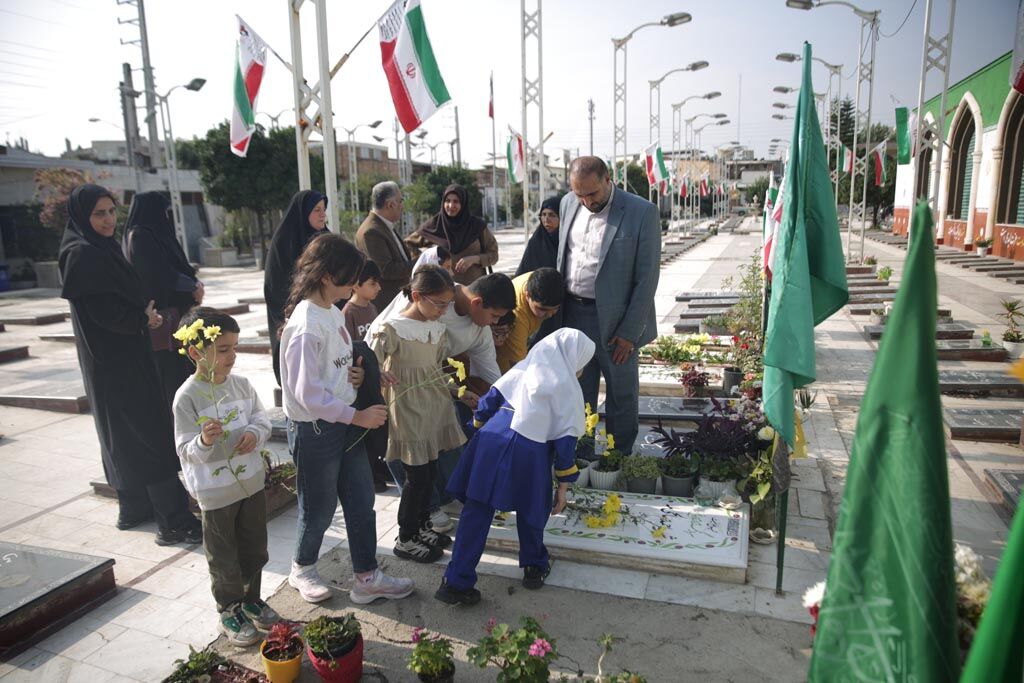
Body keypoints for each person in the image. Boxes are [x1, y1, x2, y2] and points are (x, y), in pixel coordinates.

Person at [58, 184, 201, 544]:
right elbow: (104, 313)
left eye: (110, 212)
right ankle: (174, 522)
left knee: (125, 436)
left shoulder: (98, 248)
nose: (108, 220)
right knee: (148, 434)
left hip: (122, 358)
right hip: (115, 363)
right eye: (98, 214)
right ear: (81, 217)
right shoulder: (82, 255)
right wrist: (143, 319)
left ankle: (136, 509)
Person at [280, 233, 414, 604]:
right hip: (317, 431)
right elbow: (307, 394)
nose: (353, 285)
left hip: (344, 426)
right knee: (319, 508)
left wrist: (357, 375)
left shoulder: (330, 313)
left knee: (360, 500)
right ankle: (302, 567)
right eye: (348, 277)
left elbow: (338, 364)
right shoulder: (306, 325)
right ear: (326, 276)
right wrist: (356, 416)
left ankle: (367, 576)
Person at [435, 329, 593, 605]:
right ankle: (534, 566)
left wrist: (477, 432)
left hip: (491, 441)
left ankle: (456, 582)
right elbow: (566, 446)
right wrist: (563, 489)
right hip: (530, 451)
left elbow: (487, 404)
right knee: (533, 510)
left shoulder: (524, 368)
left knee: (476, 511)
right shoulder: (568, 390)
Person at [366, 272, 515, 531]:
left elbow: (448, 370)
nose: (495, 323)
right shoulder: (417, 308)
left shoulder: (456, 327)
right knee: (410, 459)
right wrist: (374, 381)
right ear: (478, 302)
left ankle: (435, 507)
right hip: (402, 397)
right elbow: (374, 351)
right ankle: (417, 522)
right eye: (494, 316)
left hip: (432, 394)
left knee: (436, 453)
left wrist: (464, 393)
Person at [172, 307, 278, 647]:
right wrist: (204, 441)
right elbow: (185, 449)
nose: (233, 356)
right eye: (223, 350)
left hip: (250, 484)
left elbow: (262, 419)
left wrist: (254, 433)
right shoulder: (187, 397)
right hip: (216, 494)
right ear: (195, 352)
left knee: (254, 547)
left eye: (234, 347)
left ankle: (252, 598)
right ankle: (230, 607)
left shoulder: (243, 386)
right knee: (223, 555)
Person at [558, 157, 661, 455]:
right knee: (579, 391)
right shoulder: (568, 204)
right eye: (580, 194)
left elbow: (647, 278)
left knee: (621, 394)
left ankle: (620, 458)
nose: (587, 201)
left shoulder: (641, 212)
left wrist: (630, 332)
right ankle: (581, 455)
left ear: (608, 179)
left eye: (592, 194)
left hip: (617, 323)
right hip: (574, 316)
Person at [369, 266, 467, 563]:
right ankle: (406, 537)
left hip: (433, 407)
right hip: (407, 407)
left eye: (447, 304)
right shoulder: (392, 328)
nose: (443, 310)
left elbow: (435, 369)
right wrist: (378, 377)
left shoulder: (437, 329)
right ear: (416, 296)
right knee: (417, 476)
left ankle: (423, 525)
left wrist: (457, 391)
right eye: (438, 304)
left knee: (431, 471)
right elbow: (370, 366)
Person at [123, 191, 204, 410]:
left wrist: (195, 285)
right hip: (163, 321)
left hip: (177, 315)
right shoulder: (141, 236)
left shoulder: (158, 234)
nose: (167, 216)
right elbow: (159, 275)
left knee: (185, 372)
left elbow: (178, 268)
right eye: (164, 211)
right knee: (172, 378)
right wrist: (192, 286)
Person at [264, 190, 329, 384]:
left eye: (324, 209)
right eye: (317, 210)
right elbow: (275, 287)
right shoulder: (285, 242)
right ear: (303, 212)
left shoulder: (325, 239)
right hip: (294, 320)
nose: (322, 214)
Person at [341, 260, 391, 492]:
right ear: (355, 286)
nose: (378, 288)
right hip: (358, 378)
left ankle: (379, 468)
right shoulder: (348, 313)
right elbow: (348, 350)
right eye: (372, 284)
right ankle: (370, 474)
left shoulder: (371, 308)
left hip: (372, 373)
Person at [406, 184, 498, 286]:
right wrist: (425, 258)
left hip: (474, 290)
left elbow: (494, 255)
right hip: (441, 291)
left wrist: (475, 259)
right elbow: (408, 244)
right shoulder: (434, 226)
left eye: (456, 201)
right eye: (447, 201)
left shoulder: (477, 226)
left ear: (463, 203)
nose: (451, 205)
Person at [355, 181, 414, 309]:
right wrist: (419, 262)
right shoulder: (371, 231)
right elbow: (386, 270)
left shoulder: (383, 225)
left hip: (397, 301)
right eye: (400, 201)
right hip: (387, 304)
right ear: (390, 204)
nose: (402, 206)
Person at [494, 268, 564, 374]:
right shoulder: (517, 317)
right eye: (543, 309)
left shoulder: (542, 281)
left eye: (555, 308)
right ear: (527, 295)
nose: (549, 315)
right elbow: (519, 369)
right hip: (498, 355)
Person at [515, 196, 561, 276]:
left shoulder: (570, 240)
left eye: (552, 215)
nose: (546, 219)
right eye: (543, 215)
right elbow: (523, 273)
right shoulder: (536, 242)